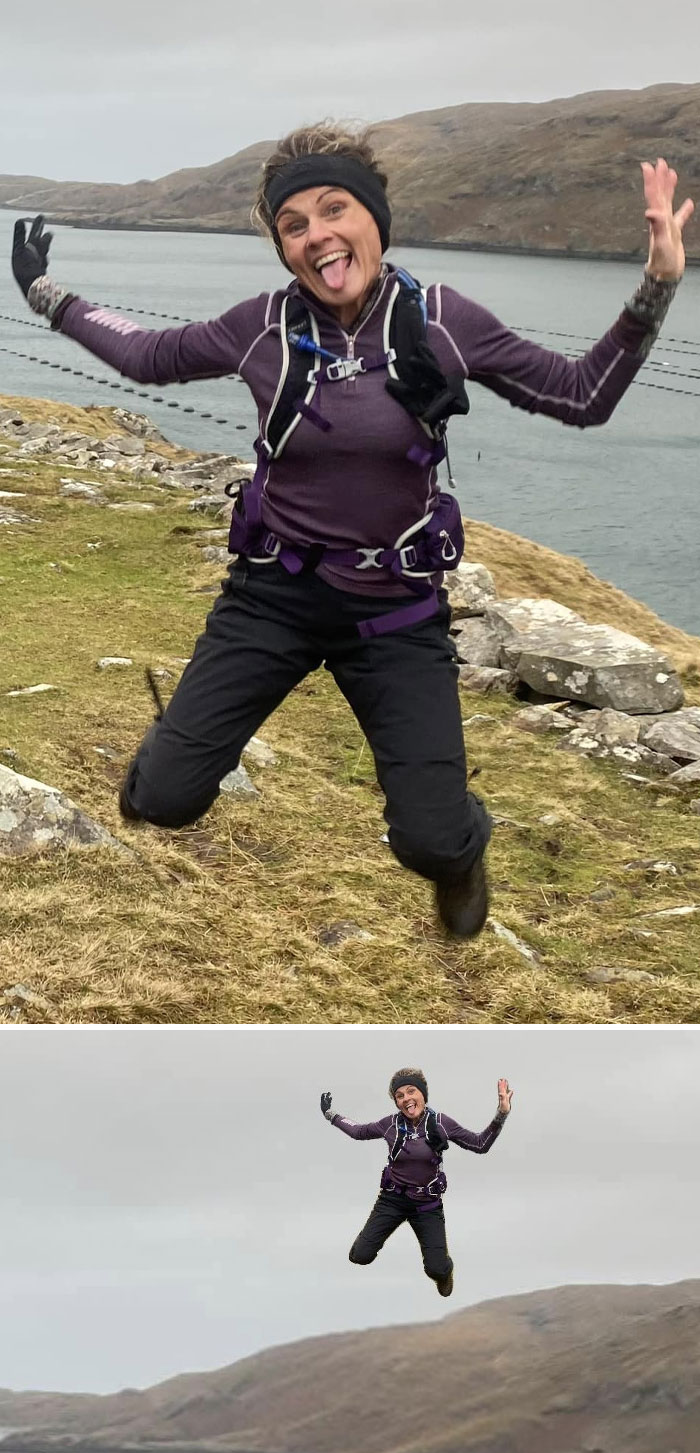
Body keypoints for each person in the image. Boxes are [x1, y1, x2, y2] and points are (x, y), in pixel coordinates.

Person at [10, 140, 693, 943]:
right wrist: (46, 293)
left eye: (335, 210)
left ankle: (463, 842)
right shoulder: (261, 327)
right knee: (158, 800)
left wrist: (657, 287)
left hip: (397, 613)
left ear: (374, 219)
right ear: (285, 249)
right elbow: (148, 354)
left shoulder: (443, 320)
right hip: (272, 597)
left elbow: (581, 396)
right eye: (294, 225)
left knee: (432, 842)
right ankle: (177, 745)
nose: (317, 237)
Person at [321, 1064, 512, 1296]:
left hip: (427, 1205)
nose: (406, 1099)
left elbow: (480, 1144)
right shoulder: (390, 1124)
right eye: (399, 1096)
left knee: (436, 1268)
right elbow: (358, 1131)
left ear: (423, 1094)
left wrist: (501, 1113)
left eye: (411, 1091)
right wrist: (330, 1115)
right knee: (359, 1256)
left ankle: (444, 1272)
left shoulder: (441, 1123)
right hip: (391, 1200)